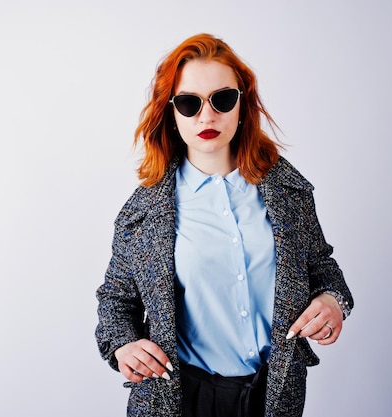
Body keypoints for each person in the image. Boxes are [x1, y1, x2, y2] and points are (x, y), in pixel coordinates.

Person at [95, 33, 353, 417]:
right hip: (178, 399)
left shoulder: (289, 191)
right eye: (189, 103)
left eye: (223, 99)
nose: (207, 116)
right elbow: (115, 302)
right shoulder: (143, 213)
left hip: (272, 395)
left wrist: (333, 303)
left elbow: (323, 268)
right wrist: (123, 346)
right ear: (171, 111)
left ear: (242, 105)